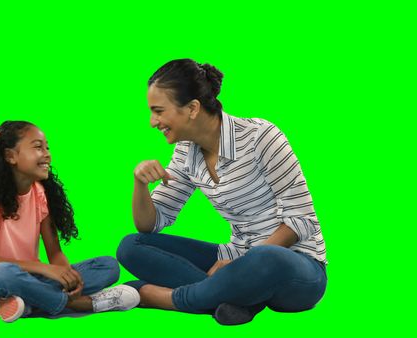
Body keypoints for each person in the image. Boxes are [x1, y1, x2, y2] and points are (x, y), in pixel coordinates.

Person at [117, 59, 327, 325]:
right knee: (131, 246)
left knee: (266, 257)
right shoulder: (185, 153)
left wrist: (244, 264)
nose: (152, 121)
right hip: (236, 258)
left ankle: (167, 298)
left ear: (192, 108)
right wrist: (140, 184)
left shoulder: (260, 137)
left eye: (159, 111)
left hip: (296, 266)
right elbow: (150, 224)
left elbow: (302, 219)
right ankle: (234, 300)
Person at [0, 120, 139, 322]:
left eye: (47, 147)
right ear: (10, 156)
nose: (47, 153)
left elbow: (54, 253)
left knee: (107, 265)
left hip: (30, 280)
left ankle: (27, 305)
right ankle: (77, 304)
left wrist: (69, 278)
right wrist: (43, 268)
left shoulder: (40, 194)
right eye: (38, 147)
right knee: (5, 272)